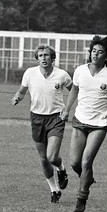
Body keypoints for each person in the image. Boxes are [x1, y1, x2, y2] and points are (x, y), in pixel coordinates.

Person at [61, 35, 107, 212]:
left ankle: (81, 199)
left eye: (100, 52)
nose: (95, 55)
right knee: (75, 162)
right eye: (93, 51)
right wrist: (66, 109)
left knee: (86, 161)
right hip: (79, 120)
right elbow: (74, 89)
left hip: (100, 124)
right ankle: (87, 179)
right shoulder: (80, 71)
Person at [12, 44, 72, 203]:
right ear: (37, 58)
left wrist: (68, 108)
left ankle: (61, 169)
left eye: (46, 55)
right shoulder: (30, 73)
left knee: (51, 156)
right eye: (40, 56)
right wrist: (17, 97)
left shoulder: (62, 75)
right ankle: (54, 190)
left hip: (56, 119)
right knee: (44, 159)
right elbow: (21, 91)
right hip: (37, 118)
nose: (43, 58)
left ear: (52, 58)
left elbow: (74, 90)